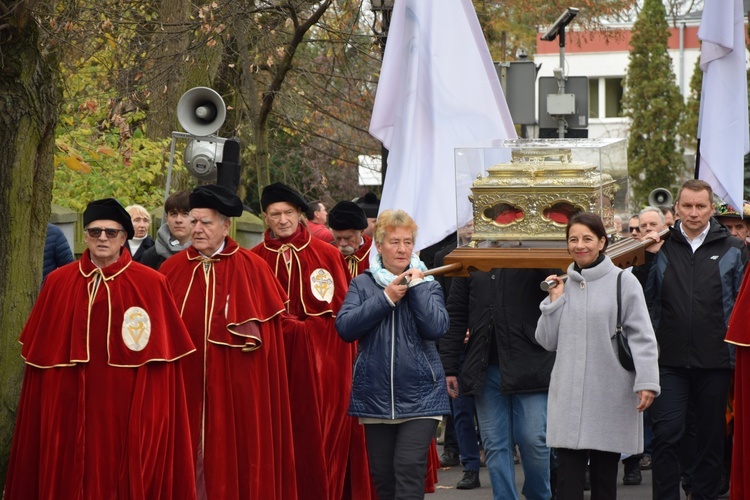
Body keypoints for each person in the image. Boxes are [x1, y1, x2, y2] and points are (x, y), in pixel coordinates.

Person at [5, 198, 196, 499]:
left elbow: (163, 371)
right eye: (94, 232)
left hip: (124, 410)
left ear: (124, 237)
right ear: (85, 236)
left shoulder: (151, 283)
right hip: (65, 407)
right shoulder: (58, 283)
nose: (102, 238)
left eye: (110, 232)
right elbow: (39, 364)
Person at [160, 185, 297, 499]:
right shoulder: (170, 271)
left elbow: (269, 351)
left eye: (205, 222)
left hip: (239, 395)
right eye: (193, 221)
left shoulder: (254, 268)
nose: (196, 229)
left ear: (225, 225)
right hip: (184, 390)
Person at [252, 182, 371, 500]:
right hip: (273, 365)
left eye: (288, 212)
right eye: (274, 214)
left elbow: (344, 315)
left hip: (324, 365)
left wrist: (305, 333)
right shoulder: (254, 259)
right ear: (266, 217)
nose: (282, 219)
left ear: (300, 215)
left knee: (321, 434)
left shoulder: (327, 255)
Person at [536, 211, 660, 500]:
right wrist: (554, 302)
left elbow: (642, 335)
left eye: (588, 239)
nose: (580, 245)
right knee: (567, 482)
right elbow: (546, 341)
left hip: (610, 392)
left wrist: (647, 381)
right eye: (573, 239)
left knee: (605, 482)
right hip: (568, 396)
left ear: (602, 242)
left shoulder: (624, 282)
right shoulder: (561, 284)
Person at [335, 209, 450, 500]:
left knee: (409, 468)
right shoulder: (363, 284)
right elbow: (346, 328)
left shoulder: (429, 283)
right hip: (375, 395)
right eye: (395, 242)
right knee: (383, 479)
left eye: (408, 242)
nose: (402, 249)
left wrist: (417, 288)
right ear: (379, 245)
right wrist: (385, 298)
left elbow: (436, 328)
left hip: (422, 395)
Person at [642, 180, 746, 500]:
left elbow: (742, 307)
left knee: (710, 439)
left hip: (716, 361)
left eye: (701, 206)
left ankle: (702, 495)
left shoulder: (734, 248)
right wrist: (647, 259)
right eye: (687, 206)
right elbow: (648, 303)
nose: (694, 212)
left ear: (712, 210)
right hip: (669, 361)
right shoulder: (661, 246)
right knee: (667, 435)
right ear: (677, 209)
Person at [441, 261, 557, 498]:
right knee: (495, 444)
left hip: (530, 364)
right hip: (485, 368)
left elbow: (555, 286)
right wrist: (449, 368)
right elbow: (456, 314)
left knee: (534, 440)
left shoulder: (533, 252)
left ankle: (539, 495)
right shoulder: (471, 259)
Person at [141, 191, 192, 270]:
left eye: (185, 214)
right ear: (166, 218)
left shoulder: (205, 253)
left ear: (195, 218)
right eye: (173, 214)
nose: (178, 220)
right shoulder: (150, 256)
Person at [328, 200, 372, 277]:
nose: (342, 244)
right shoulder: (328, 254)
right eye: (337, 238)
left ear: (361, 232)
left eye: (347, 238)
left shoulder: (375, 252)